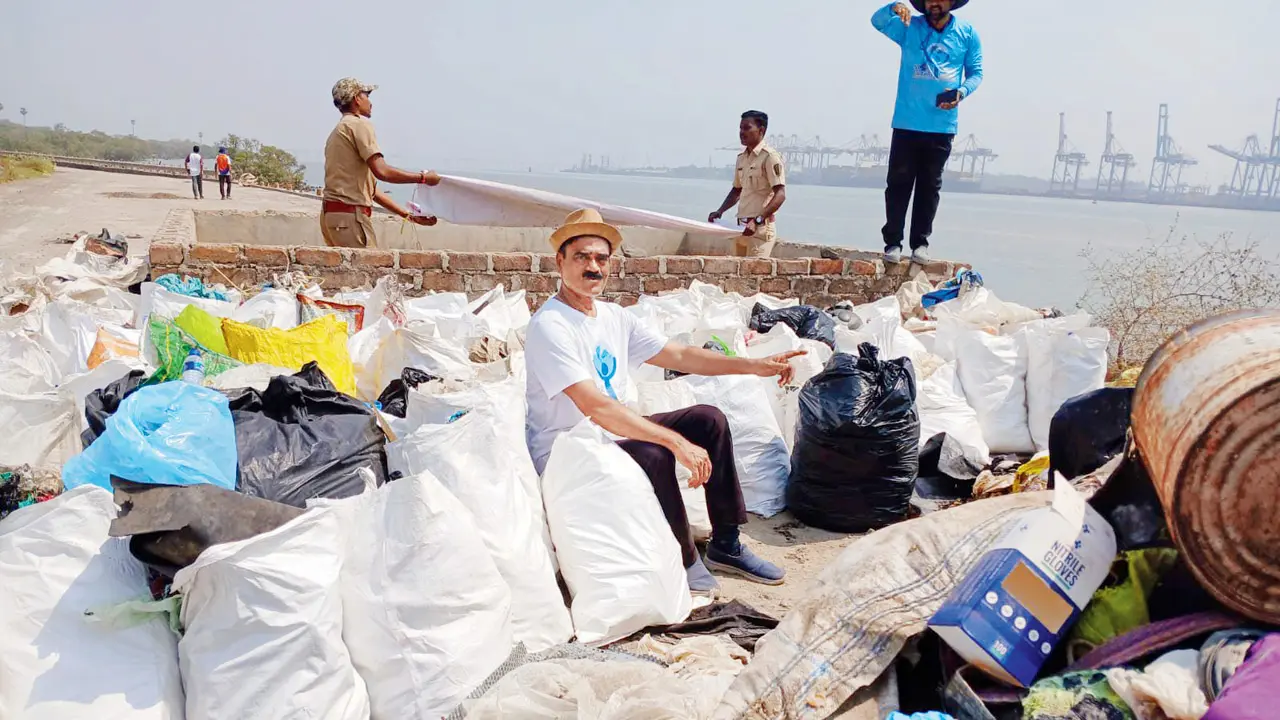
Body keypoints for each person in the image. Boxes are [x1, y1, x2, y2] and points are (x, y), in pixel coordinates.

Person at [524, 208, 805, 596]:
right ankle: (685, 558)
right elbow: (595, 406)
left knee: (709, 420)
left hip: (613, 432)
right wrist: (674, 442)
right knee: (654, 453)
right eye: (582, 257)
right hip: (572, 445)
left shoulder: (613, 316)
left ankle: (726, 544)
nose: (593, 267)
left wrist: (754, 365)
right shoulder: (550, 325)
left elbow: (680, 356)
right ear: (560, 262)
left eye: (601, 259)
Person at [872, 0, 983, 265]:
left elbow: (976, 73)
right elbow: (877, 22)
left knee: (929, 187)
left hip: (941, 126)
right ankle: (893, 243)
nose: (934, 3)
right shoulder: (910, 27)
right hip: (906, 122)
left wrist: (960, 92)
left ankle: (920, 243)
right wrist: (893, 7)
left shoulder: (967, 34)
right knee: (898, 184)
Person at [322, 77, 441, 248]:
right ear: (357, 98)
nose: (370, 103)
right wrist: (424, 178)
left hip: (333, 218)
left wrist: (407, 215)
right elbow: (382, 171)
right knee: (366, 272)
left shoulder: (339, 130)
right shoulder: (358, 125)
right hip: (349, 218)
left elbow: (371, 191)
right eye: (367, 96)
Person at [708, 111, 787, 258]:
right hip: (741, 229)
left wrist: (757, 220)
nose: (742, 133)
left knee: (754, 277)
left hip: (759, 230)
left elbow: (780, 194)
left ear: (761, 130)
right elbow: (736, 190)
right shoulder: (742, 158)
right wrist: (720, 211)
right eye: (740, 128)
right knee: (738, 277)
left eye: (747, 128)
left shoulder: (769, 157)